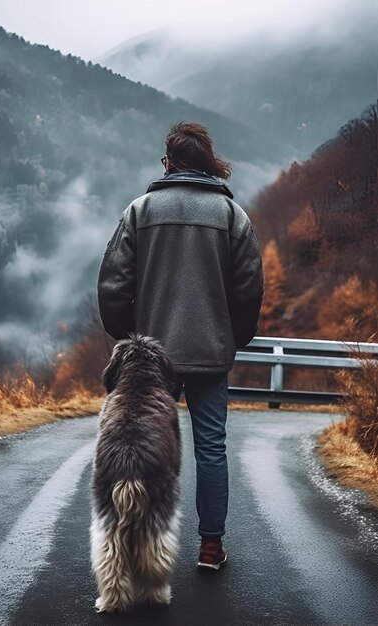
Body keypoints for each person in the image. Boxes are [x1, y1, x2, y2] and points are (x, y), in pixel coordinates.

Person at [97, 121, 263, 570]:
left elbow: (113, 286)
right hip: (210, 352)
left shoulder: (140, 211)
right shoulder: (233, 217)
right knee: (211, 447)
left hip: (150, 358)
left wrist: (128, 338)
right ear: (208, 164)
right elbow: (249, 288)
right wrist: (233, 337)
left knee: (147, 446)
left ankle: (143, 545)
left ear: (169, 163)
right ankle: (210, 548)